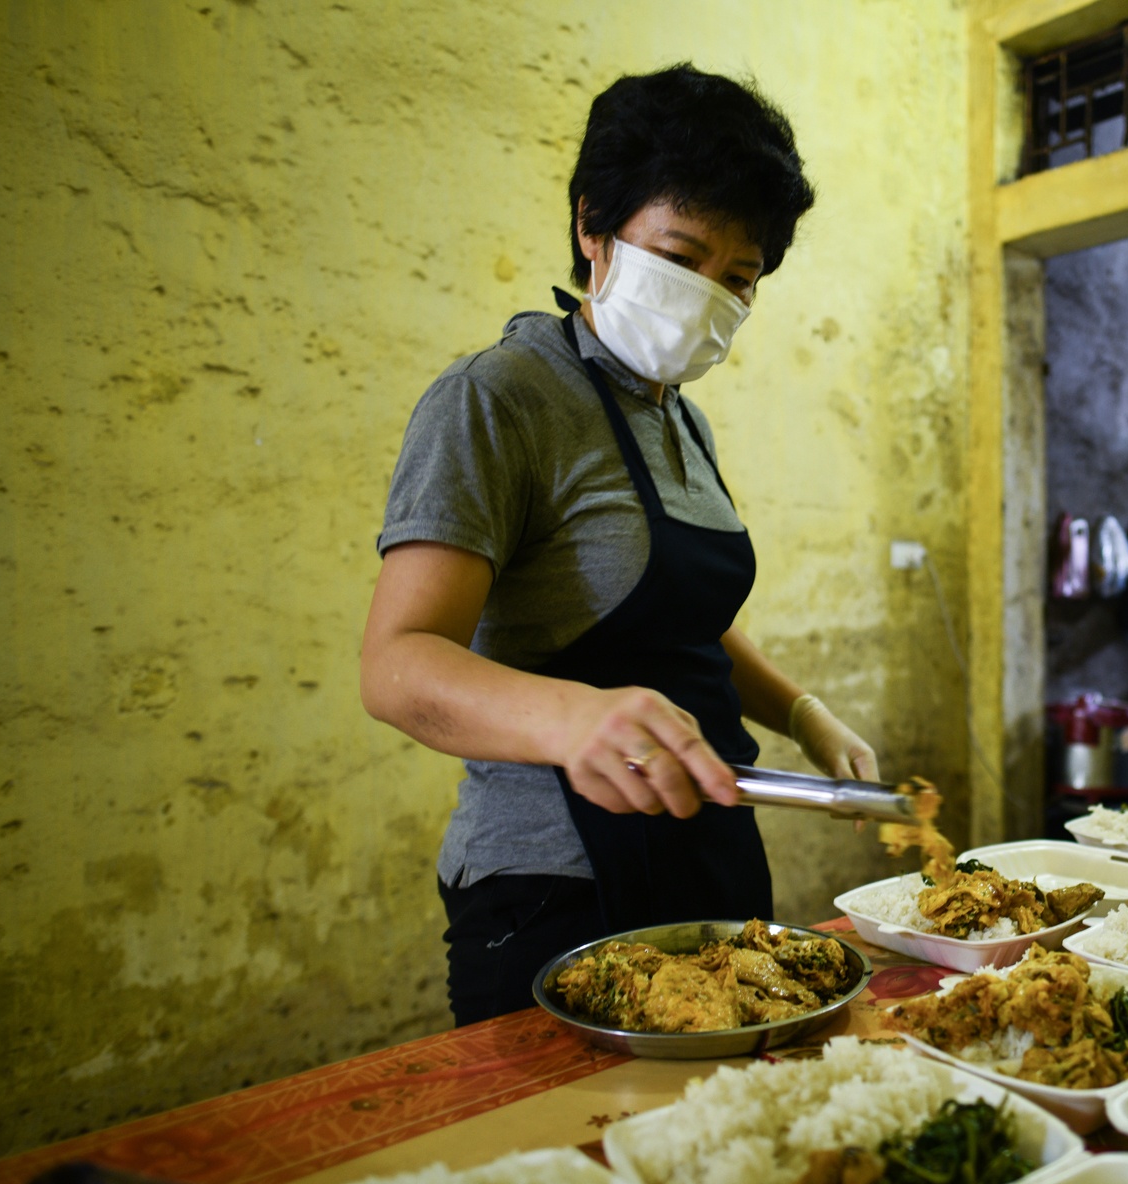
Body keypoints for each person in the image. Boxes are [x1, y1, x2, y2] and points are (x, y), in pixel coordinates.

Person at [360, 65, 876, 1025]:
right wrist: (571, 722)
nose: (707, 298)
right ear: (594, 228)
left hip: (710, 848)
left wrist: (803, 714)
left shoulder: (681, 420)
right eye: (682, 256)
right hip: (557, 887)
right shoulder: (499, 397)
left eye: (739, 278)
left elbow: (675, 619)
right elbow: (397, 667)